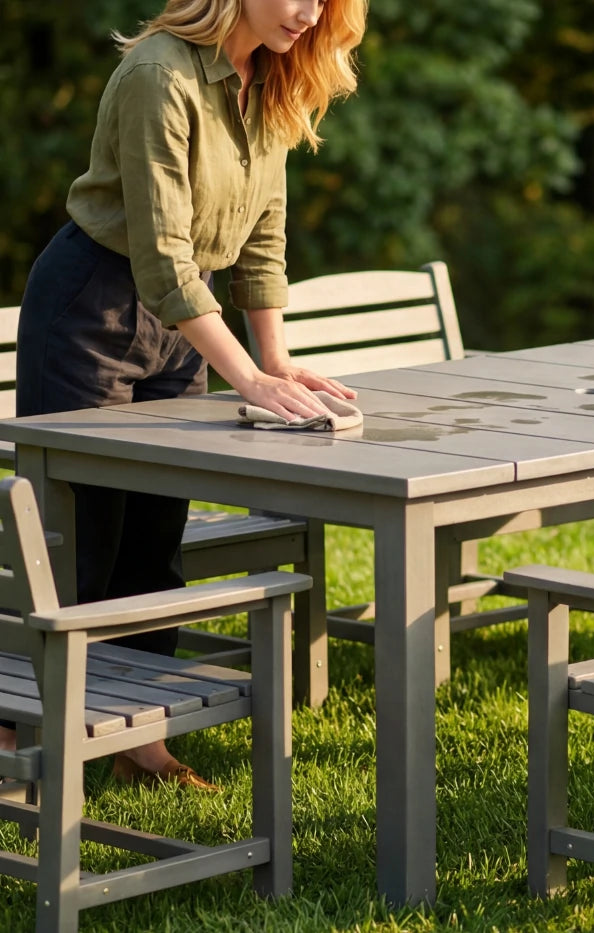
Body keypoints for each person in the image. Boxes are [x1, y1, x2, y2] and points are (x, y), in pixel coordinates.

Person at [0, 0, 368, 789]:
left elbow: (262, 234)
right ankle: (14, 733)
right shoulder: (157, 73)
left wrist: (278, 359)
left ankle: (138, 737)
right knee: (77, 543)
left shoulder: (271, 76)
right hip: (90, 311)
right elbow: (161, 255)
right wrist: (248, 378)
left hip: (183, 325)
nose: (310, 14)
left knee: (154, 539)